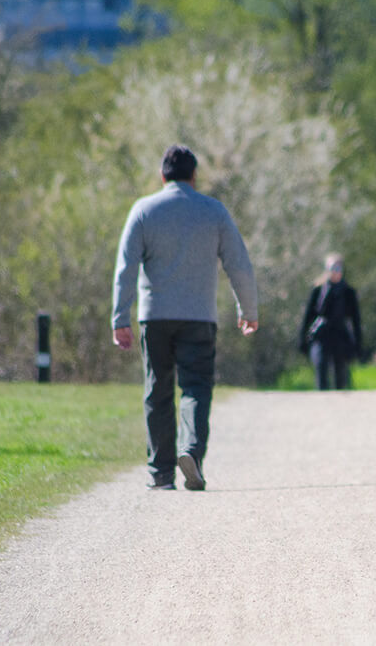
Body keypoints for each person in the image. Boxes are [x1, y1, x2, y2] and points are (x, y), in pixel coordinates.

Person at [112, 144, 259, 491]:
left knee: (157, 390)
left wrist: (120, 318)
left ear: (162, 176)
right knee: (195, 387)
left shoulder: (144, 210)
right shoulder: (214, 211)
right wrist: (248, 310)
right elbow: (239, 263)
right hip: (198, 317)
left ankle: (161, 473)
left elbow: (126, 268)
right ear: (194, 177)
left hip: (155, 316)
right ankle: (190, 451)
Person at [298, 253, 363, 390]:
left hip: (340, 335)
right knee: (320, 366)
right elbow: (308, 316)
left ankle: (338, 404)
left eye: (338, 268)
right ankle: (322, 402)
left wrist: (358, 344)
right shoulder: (318, 290)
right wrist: (302, 338)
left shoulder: (348, 292)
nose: (334, 272)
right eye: (331, 268)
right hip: (321, 334)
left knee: (340, 373)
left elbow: (356, 320)